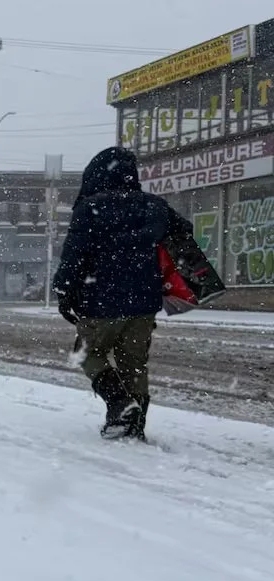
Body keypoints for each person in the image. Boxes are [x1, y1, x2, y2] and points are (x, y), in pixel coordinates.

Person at [52, 146, 193, 440]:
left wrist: (64, 291)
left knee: (86, 353)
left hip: (100, 300)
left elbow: (73, 257)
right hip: (144, 303)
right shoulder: (154, 206)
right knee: (134, 363)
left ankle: (118, 403)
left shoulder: (89, 208)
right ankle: (133, 425)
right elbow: (184, 230)